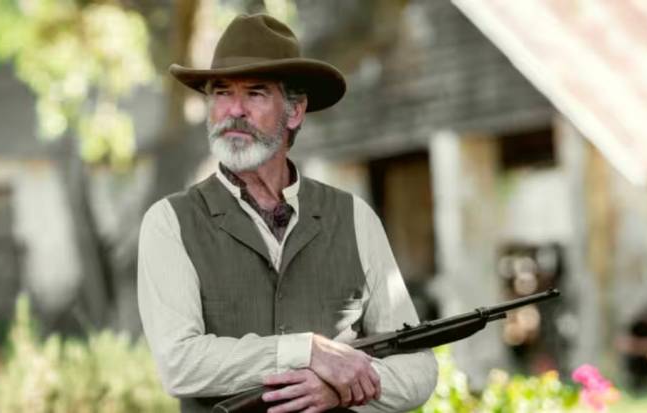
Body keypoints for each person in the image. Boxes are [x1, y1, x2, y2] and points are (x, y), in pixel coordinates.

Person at [137, 13, 438, 413]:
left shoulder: (354, 218)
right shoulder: (169, 223)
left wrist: (344, 387)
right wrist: (306, 351)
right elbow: (179, 364)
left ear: (294, 111)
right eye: (222, 93)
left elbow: (419, 368)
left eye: (256, 94)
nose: (234, 110)